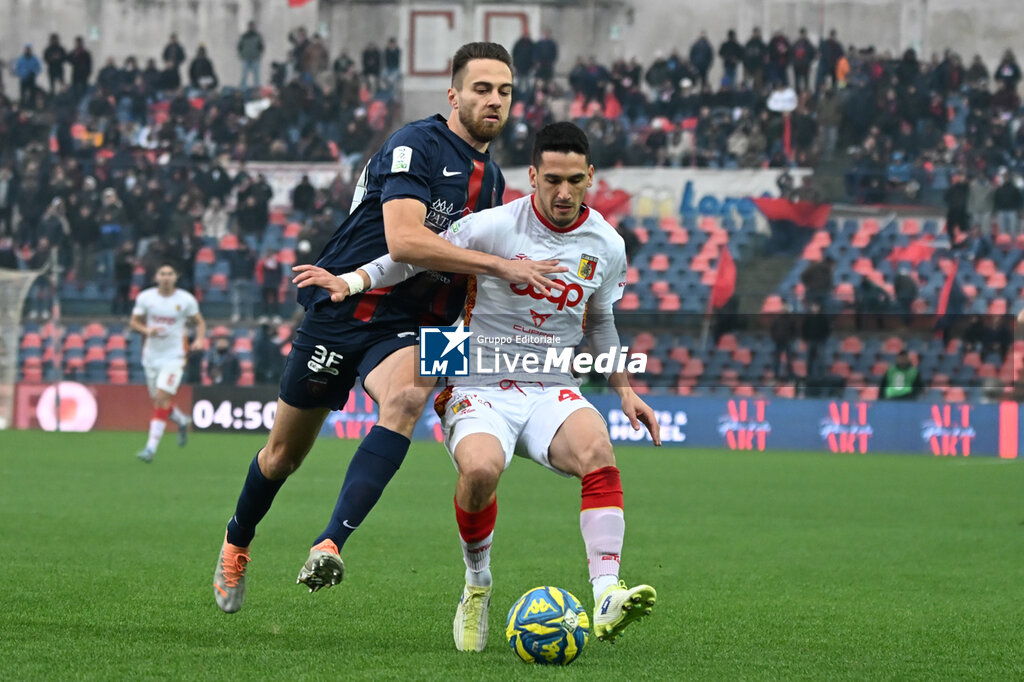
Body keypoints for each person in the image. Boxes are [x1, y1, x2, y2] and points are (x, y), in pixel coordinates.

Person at [212, 42, 561, 614]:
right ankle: (236, 540)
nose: (494, 100)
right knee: (282, 456)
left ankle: (330, 543)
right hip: (345, 312)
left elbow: (465, 271)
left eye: (504, 91)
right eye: (481, 89)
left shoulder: (493, 182)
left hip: (420, 325)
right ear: (453, 95)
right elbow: (404, 243)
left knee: (406, 398)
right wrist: (503, 267)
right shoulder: (414, 144)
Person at [332, 121, 660, 650]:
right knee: (481, 470)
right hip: (478, 384)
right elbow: (413, 253)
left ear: (590, 178)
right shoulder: (492, 226)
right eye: (551, 179)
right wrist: (352, 280)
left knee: (599, 449)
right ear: (532, 176)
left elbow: (601, 323)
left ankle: (605, 593)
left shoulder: (607, 243)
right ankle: (477, 584)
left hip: (552, 386)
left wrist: (624, 390)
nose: (562, 191)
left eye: (575, 180)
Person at [129, 262, 206, 462]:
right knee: (159, 401)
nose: (166, 277)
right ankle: (181, 420)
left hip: (174, 357)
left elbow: (199, 321)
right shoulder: (146, 298)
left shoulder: (185, 300)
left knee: (162, 397)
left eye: (170, 273)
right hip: (151, 357)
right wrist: (147, 330)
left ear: (176, 277)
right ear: (156, 277)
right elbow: (134, 322)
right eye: (162, 273)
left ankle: (150, 449)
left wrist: (199, 339)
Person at [237, 21, 264, 90]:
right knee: (244, 74)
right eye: (250, 26)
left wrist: (259, 55)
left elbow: (261, 47)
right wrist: (241, 55)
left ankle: (257, 88)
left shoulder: (258, 36)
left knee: (256, 75)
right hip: (246, 58)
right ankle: (242, 88)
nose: (251, 27)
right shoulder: (244, 36)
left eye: (252, 26)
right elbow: (239, 47)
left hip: (255, 58)